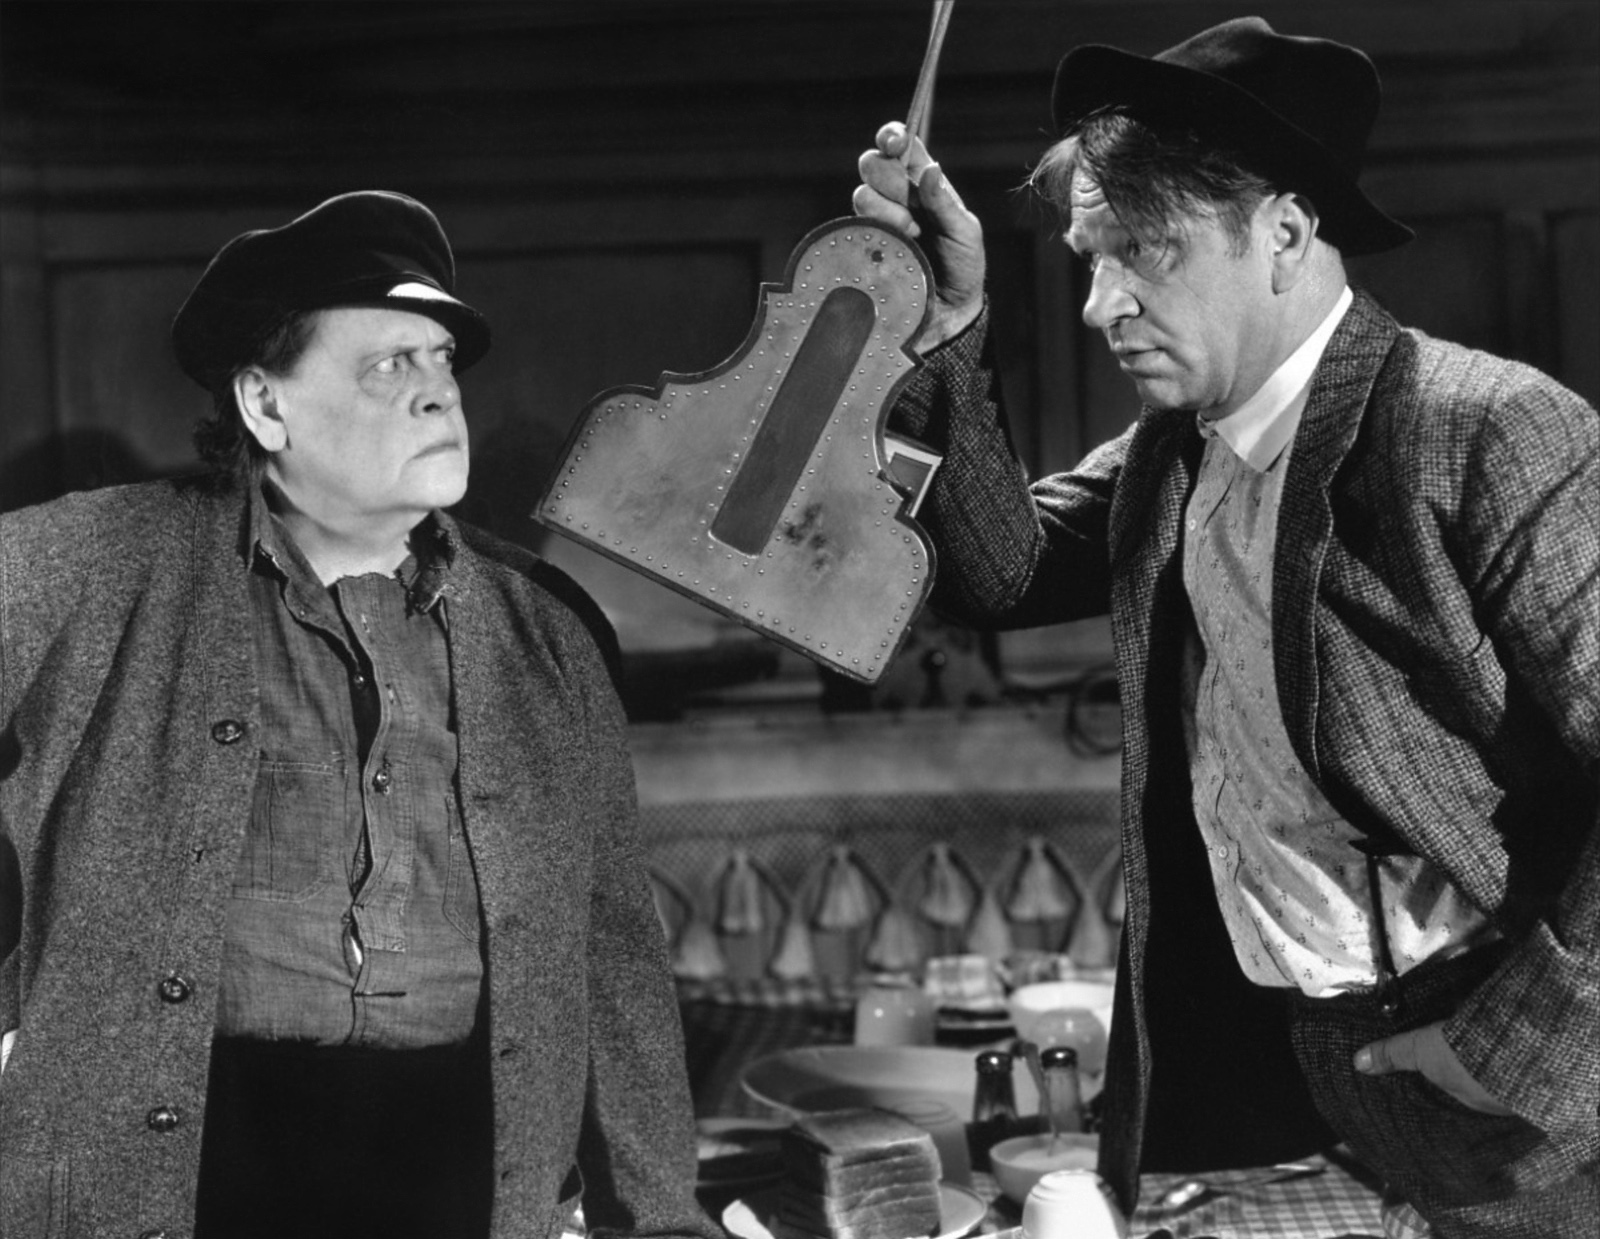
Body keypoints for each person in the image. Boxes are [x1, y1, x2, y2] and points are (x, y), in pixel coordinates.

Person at [855, 16, 1597, 1238]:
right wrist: (948, 323)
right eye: (1090, 258)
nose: (1099, 304)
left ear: (1287, 234)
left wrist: (1508, 1056)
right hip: (1283, 1082)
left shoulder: (1487, 430)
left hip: (1516, 1108)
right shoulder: (1174, 454)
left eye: (1143, 253)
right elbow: (1000, 572)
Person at [0, 190, 719, 1239]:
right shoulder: (96, 567)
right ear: (265, 404)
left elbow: (612, 958)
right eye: (388, 366)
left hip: (456, 1189)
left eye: (442, 361)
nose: (439, 395)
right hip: (172, 1192)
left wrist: (659, 1221)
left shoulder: (547, 631)